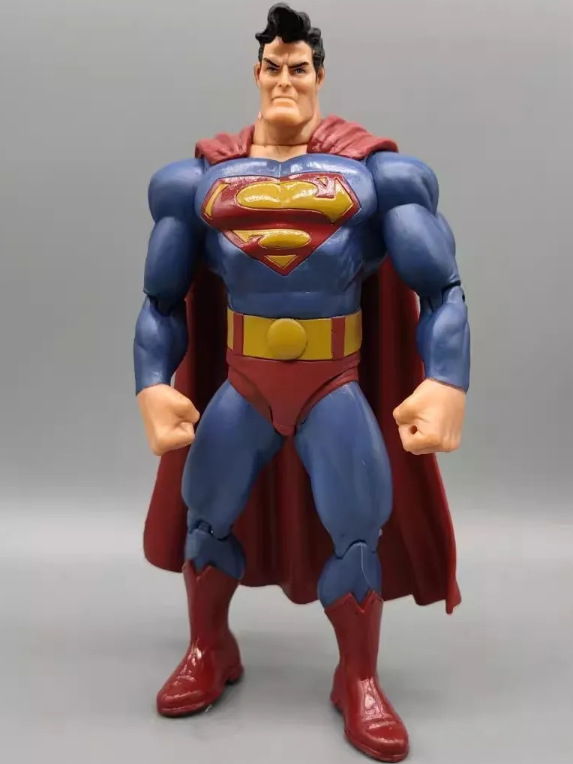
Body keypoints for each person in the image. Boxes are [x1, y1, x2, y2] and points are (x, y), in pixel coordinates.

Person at [133, 4, 470, 761]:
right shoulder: (196, 182)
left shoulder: (379, 177)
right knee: (206, 514)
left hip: (332, 382)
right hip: (244, 382)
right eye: (273, 66)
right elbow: (160, 298)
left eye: (299, 67)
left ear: (319, 76)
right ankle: (209, 648)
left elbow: (442, 286)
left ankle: (358, 678)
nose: (285, 79)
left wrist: (447, 379)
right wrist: (151, 382)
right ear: (256, 73)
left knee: (357, 528)